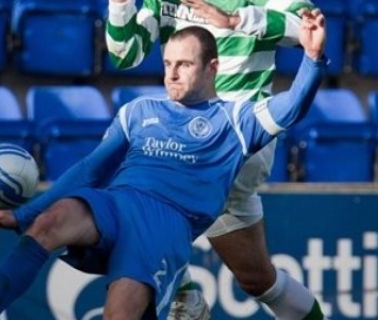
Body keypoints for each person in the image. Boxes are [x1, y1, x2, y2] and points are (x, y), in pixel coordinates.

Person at [0, 10, 326, 320]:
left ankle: (184, 296)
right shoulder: (138, 111)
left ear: (212, 68)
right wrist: (24, 214)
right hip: (117, 204)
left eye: (184, 64)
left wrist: (311, 57)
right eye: (167, 64)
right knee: (48, 223)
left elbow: (292, 106)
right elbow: (90, 170)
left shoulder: (236, 120)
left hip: (163, 225)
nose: (171, 74)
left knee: (118, 314)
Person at [106, 0, 327, 319]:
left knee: (134, 195)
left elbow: (306, 28)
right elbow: (126, 55)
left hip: (242, 140)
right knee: (258, 280)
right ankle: (182, 290)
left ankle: (180, 291)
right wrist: (120, 5)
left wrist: (237, 20)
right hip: (187, 136)